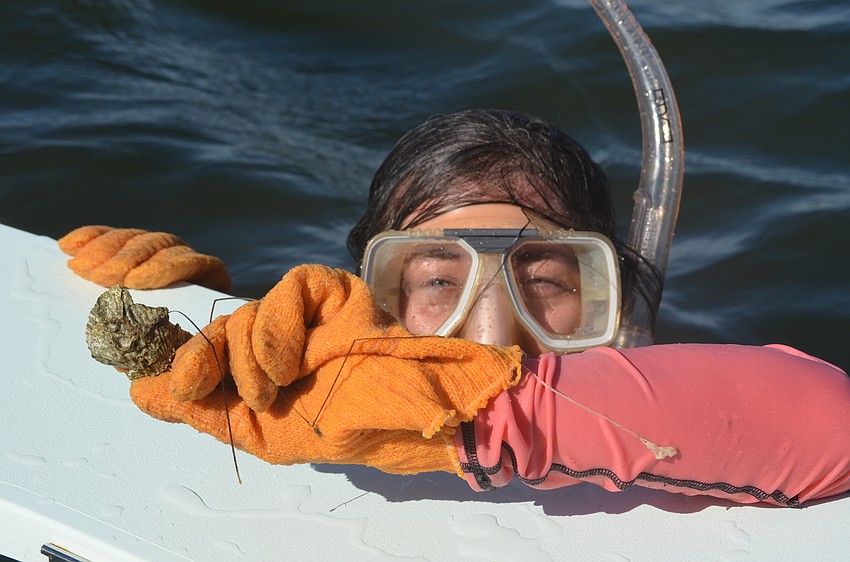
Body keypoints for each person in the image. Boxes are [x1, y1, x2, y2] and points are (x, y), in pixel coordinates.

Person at [58, 109, 850, 508]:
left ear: (609, 296)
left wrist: (484, 417)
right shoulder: (331, 404)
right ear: (373, 294)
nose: (492, 327)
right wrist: (190, 310)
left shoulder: (663, 404)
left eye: (546, 280)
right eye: (438, 281)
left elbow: (831, 418)